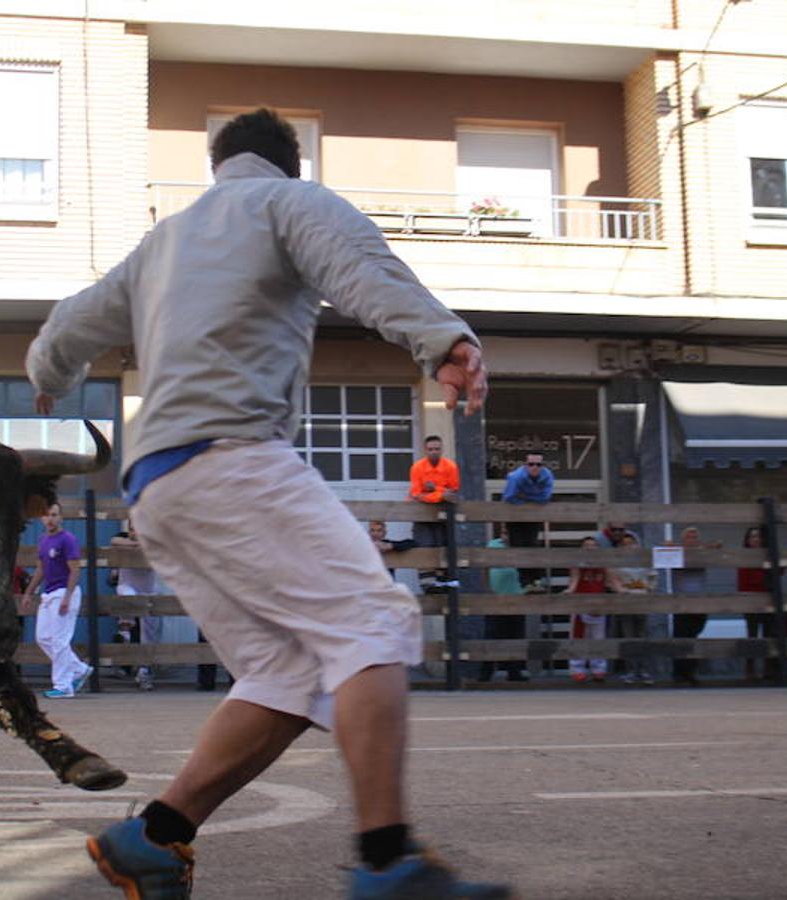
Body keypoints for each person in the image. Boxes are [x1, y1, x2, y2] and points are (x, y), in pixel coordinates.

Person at [25, 109, 506, 899]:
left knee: (286, 672)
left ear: (217, 162)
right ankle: (390, 864)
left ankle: (155, 837)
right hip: (230, 455)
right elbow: (360, 267)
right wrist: (442, 341)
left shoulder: (161, 243)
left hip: (156, 486)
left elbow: (74, 321)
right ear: (291, 161)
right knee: (374, 621)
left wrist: (49, 372)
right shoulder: (289, 202)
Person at [22, 502, 93, 699]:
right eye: (46, 516)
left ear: (61, 517)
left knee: (59, 640)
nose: (50, 519)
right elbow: (41, 569)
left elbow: (75, 570)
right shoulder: (43, 540)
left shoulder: (68, 540)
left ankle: (63, 686)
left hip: (64, 592)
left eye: (54, 515)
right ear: (41, 519)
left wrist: (67, 597)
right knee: (43, 638)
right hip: (48, 593)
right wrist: (29, 593)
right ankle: (78, 669)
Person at [110, 521, 162, 691]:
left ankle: (144, 671)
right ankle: (125, 629)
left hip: (148, 592)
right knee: (128, 596)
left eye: (137, 528)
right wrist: (135, 543)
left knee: (149, 633)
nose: (134, 531)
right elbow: (114, 541)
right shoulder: (124, 540)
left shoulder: (153, 543)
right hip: (128, 587)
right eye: (131, 528)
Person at [669, 526, 722, 687]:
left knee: (694, 636)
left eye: (694, 537)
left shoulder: (702, 555)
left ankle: (691, 671)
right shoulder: (676, 554)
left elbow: (718, 547)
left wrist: (713, 546)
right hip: (682, 603)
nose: (691, 540)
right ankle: (679, 673)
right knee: (681, 637)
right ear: (683, 540)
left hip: (700, 602)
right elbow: (662, 550)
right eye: (688, 537)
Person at [409, 435, 460, 593]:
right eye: (430, 449)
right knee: (424, 545)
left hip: (443, 515)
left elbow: (453, 493)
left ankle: (443, 583)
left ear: (442, 449)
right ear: (425, 450)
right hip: (422, 514)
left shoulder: (450, 467)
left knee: (442, 545)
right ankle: (428, 585)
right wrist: (441, 493)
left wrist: (433, 490)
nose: (434, 452)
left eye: (437, 449)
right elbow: (416, 495)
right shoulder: (417, 467)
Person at [478, 525, 527, 684]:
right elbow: (484, 568)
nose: (505, 536)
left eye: (509, 533)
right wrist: (486, 588)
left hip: (516, 598)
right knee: (491, 635)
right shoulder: (493, 545)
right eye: (504, 532)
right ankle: (485, 673)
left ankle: (514, 672)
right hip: (495, 598)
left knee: (515, 635)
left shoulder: (521, 547)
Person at [608, 531, 655, 685]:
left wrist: (648, 589)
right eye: (625, 544)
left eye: (631, 543)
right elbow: (612, 581)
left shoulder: (644, 561)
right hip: (625, 602)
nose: (628, 546)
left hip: (642, 600)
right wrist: (621, 590)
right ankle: (631, 670)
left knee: (643, 636)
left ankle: (645, 670)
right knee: (628, 636)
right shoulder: (616, 563)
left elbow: (653, 577)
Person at [502, 452, 553, 591]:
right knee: (518, 546)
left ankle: (537, 580)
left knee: (532, 544)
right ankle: (526, 582)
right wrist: (533, 498)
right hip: (514, 515)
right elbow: (509, 498)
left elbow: (545, 498)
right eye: (531, 464)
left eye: (538, 464)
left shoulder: (547, 475)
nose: (535, 467)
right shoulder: (516, 477)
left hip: (532, 515)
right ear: (525, 465)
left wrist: (525, 496)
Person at [567, 535, 609, 683]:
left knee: (598, 637)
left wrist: (623, 591)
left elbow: (612, 581)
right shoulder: (577, 564)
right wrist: (569, 592)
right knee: (579, 636)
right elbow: (574, 580)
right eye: (586, 545)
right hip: (580, 603)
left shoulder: (604, 564)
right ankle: (577, 669)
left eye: (593, 545)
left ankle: (599, 668)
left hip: (599, 604)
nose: (590, 548)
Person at [737, 526, 776, 683]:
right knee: (752, 634)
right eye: (752, 537)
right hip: (750, 599)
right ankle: (750, 669)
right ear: (747, 540)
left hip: (767, 597)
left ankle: (768, 669)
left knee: (768, 633)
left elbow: (777, 573)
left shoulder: (768, 554)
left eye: (758, 537)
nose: (756, 539)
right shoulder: (743, 556)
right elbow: (743, 580)